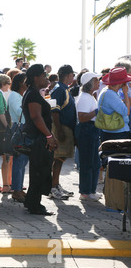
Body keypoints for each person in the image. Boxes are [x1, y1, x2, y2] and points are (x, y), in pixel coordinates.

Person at [22, 64, 57, 215]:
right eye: (44, 75)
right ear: (36, 78)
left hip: (40, 137)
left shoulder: (33, 93)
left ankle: (32, 202)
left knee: (39, 170)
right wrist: (48, 135)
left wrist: (50, 134)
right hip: (37, 139)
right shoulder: (33, 94)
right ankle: (34, 205)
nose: (46, 78)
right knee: (39, 171)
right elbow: (36, 117)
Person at [50, 64, 77, 200]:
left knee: (61, 158)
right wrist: (59, 130)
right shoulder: (59, 89)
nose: (73, 77)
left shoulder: (64, 89)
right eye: (72, 74)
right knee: (59, 157)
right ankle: (53, 187)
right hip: (61, 127)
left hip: (65, 127)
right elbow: (55, 111)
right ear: (68, 75)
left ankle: (56, 185)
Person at [75, 72, 102, 202]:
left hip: (91, 129)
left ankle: (90, 190)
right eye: (96, 80)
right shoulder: (85, 97)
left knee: (94, 162)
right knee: (88, 162)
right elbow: (82, 117)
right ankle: (86, 191)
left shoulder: (89, 96)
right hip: (87, 130)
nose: (98, 82)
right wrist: (96, 112)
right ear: (90, 83)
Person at [7, 73, 28, 202]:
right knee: (19, 161)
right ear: (21, 83)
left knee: (22, 162)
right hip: (20, 128)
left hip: (22, 128)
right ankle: (16, 190)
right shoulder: (15, 95)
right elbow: (20, 113)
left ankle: (19, 188)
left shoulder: (19, 95)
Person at [97, 67, 131, 143]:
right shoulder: (110, 94)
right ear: (120, 83)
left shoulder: (107, 91)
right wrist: (125, 93)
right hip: (117, 133)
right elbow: (126, 112)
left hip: (111, 132)